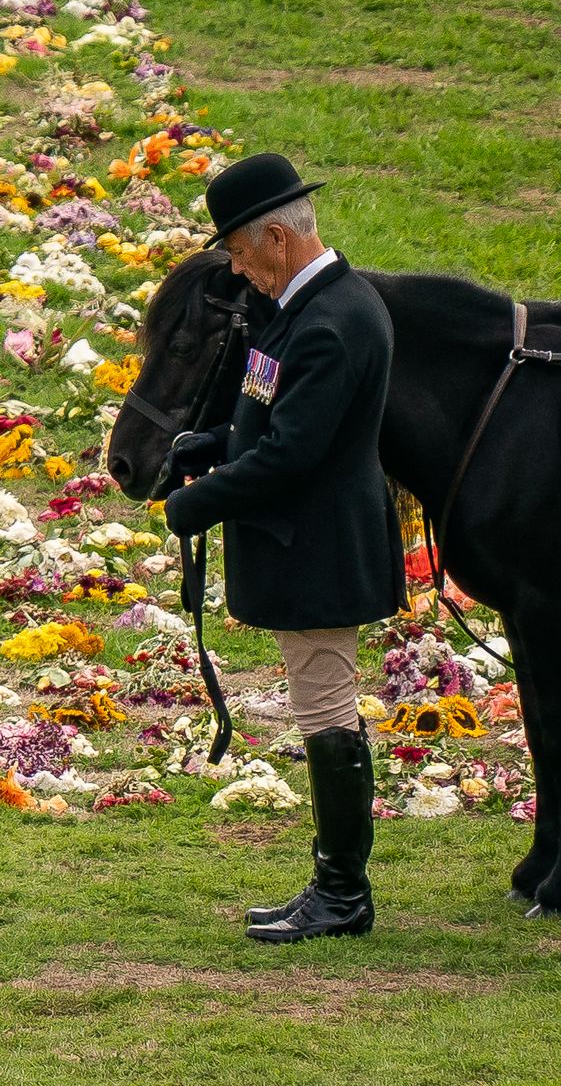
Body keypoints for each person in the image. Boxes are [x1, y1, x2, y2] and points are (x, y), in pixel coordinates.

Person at [164, 153, 406, 943]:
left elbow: (292, 456)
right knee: (319, 708)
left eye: (237, 253)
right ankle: (336, 887)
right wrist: (208, 443)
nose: (238, 270)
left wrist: (195, 504)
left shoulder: (332, 321)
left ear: (274, 237)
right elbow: (270, 415)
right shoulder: (308, 308)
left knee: (328, 713)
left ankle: (341, 893)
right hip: (310, 541)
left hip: (321, 547)